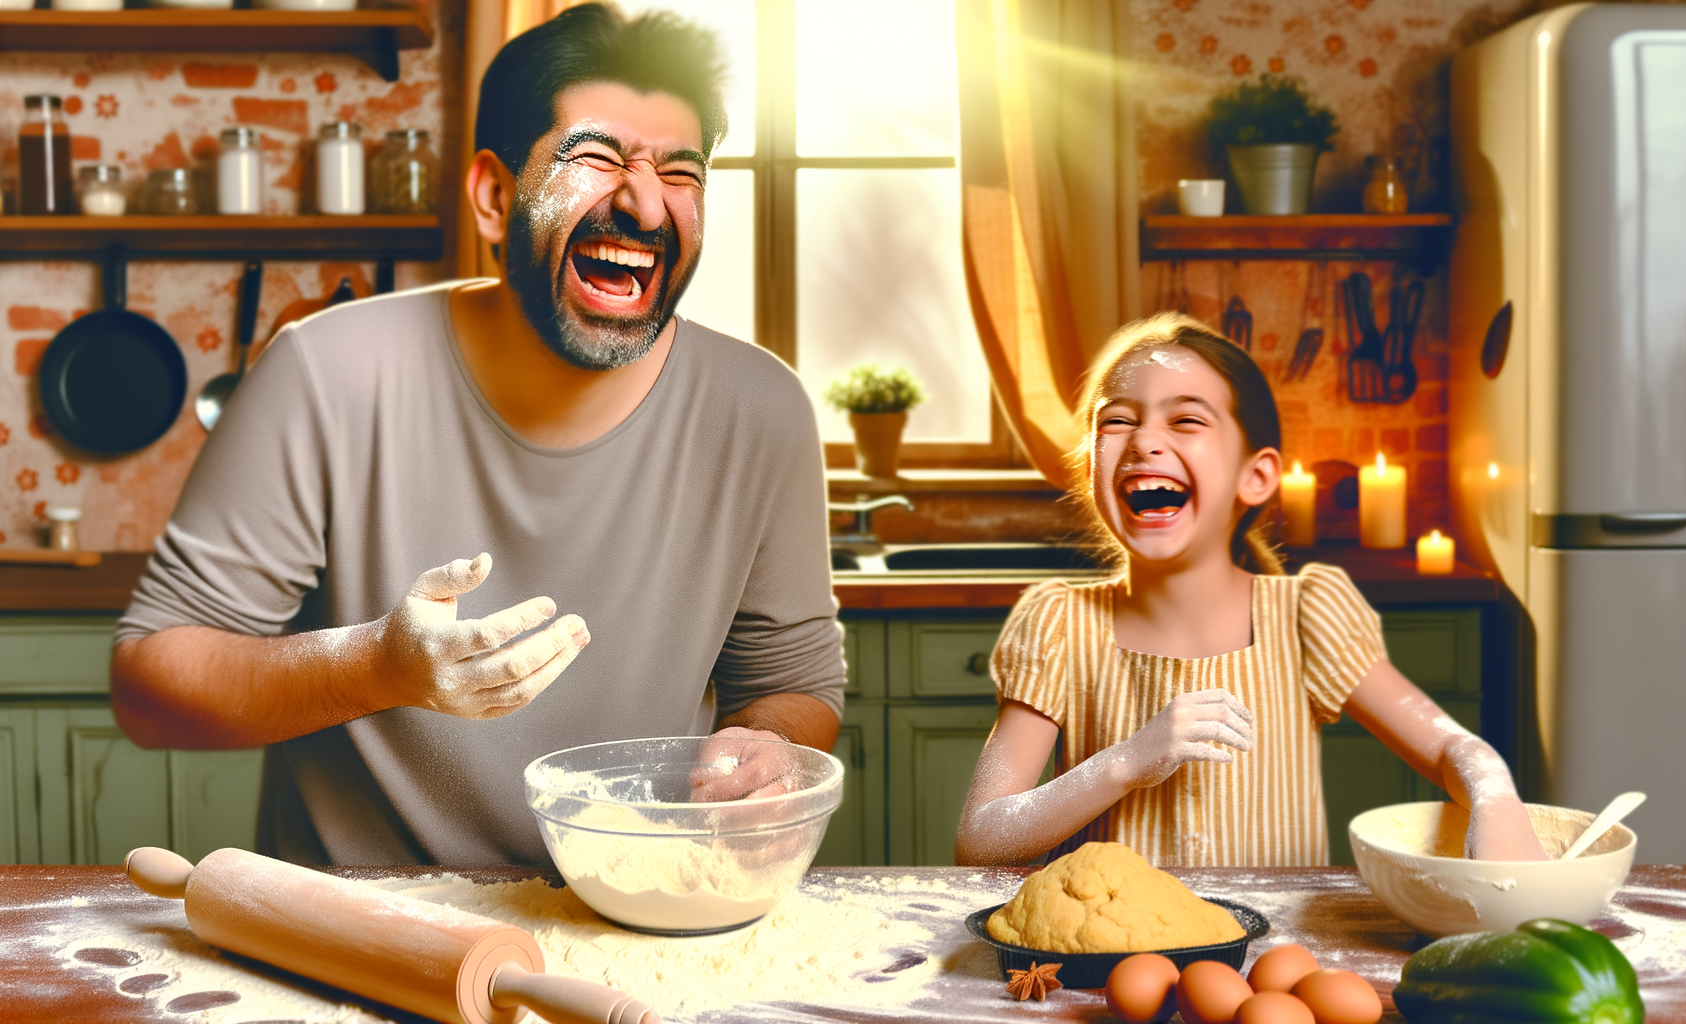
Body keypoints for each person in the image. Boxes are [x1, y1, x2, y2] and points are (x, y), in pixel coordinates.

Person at [109, 3, 844, 866]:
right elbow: (150, 687)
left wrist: (766, 746)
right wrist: (375, 666)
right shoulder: (327, 371)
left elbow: (793, 689)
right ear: (495, 197)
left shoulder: (761, 409)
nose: (646, 203)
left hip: (640, 924)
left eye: (681, 173)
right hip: (361, 947)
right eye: (598, 157)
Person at [955, 313, 1544, 867]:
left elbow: (1451, 749)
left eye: (1186, 420)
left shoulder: (1304, 616)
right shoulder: (1060, 623)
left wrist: (1493, 793)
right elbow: (980, 839)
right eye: (1118, 420)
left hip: (1268, 966)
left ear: (1255, 476)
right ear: (1089, 466)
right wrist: (1128, 760)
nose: (1143, 442)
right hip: (1111, 963)